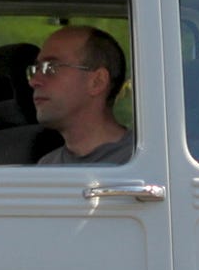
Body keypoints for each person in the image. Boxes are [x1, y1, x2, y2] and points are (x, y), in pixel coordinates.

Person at [28, 25, 134, 165]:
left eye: (51, 67)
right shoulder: (47, 166)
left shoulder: (144, 164)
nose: (34, 82)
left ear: (97, 81)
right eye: (36, 69)